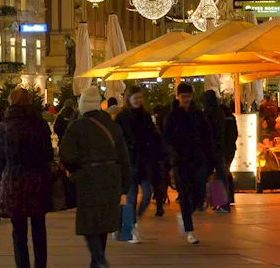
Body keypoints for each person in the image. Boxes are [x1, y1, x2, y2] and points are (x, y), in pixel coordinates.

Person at [60, 87, 130, 268]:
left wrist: (75, 170)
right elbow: (123, 156)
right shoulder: (111, 125)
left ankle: (98, 257)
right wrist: (125, 182)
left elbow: (66, 154)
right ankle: (97, 261)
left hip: (88, 177)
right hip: (111, 176)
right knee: (103, 221)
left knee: (89, 221)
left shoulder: (77, 126)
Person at [0, 88, 52, 268]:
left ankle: (22, 265)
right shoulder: (40, 123)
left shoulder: (6, 125)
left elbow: (1, 153)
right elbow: (48, 153)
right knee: (39, 227)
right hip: (37, 178)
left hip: (15, 178)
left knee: (18, 228)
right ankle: (40, 265)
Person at [162, 82, 215, 245]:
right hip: (180, 161)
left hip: (198, 159)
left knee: (199, 195)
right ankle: (190, 230)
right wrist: (170, 162)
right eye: (183, 96)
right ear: (177, 97)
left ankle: (186, 217)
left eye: (188, 96)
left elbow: (208, 136)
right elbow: (167, 139)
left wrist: (209, 157)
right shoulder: (172, 116)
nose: (185, 99)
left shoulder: (198, 114)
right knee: (185, 195)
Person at [116, 86, 162, 242]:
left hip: (144, 161)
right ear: (128, 99)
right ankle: (131, 228)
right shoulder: (122, 117)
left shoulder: (145, 116)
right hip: (129, 162)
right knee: (131, 198)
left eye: (140, 98)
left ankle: (132, 220)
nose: (138, 101)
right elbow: (118, 139)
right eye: (135, 98)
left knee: (147, 194)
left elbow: (153, 136)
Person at [201, 89, 238, 213]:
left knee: (210, 175)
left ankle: (209, 201)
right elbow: (233, 133)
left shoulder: (208, 114)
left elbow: (206, 134)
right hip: (225, 149)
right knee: (222, 174)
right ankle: (224, 202)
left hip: (211, 150)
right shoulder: (225, 114)